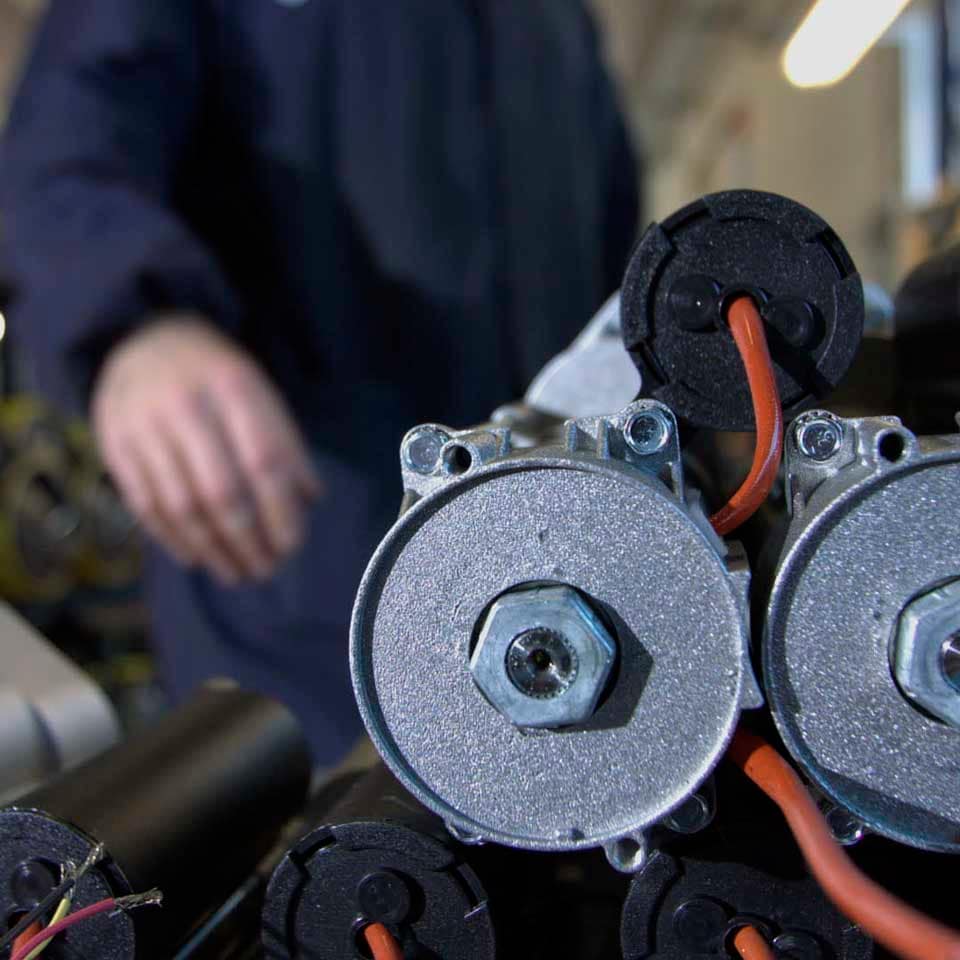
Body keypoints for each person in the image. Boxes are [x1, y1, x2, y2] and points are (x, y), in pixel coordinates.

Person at [0, 0, 639, 764]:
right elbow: (63, 158)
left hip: (554, 580)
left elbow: (617, 281)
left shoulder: (553, 22)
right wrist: (140, 327)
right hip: (300, 602)